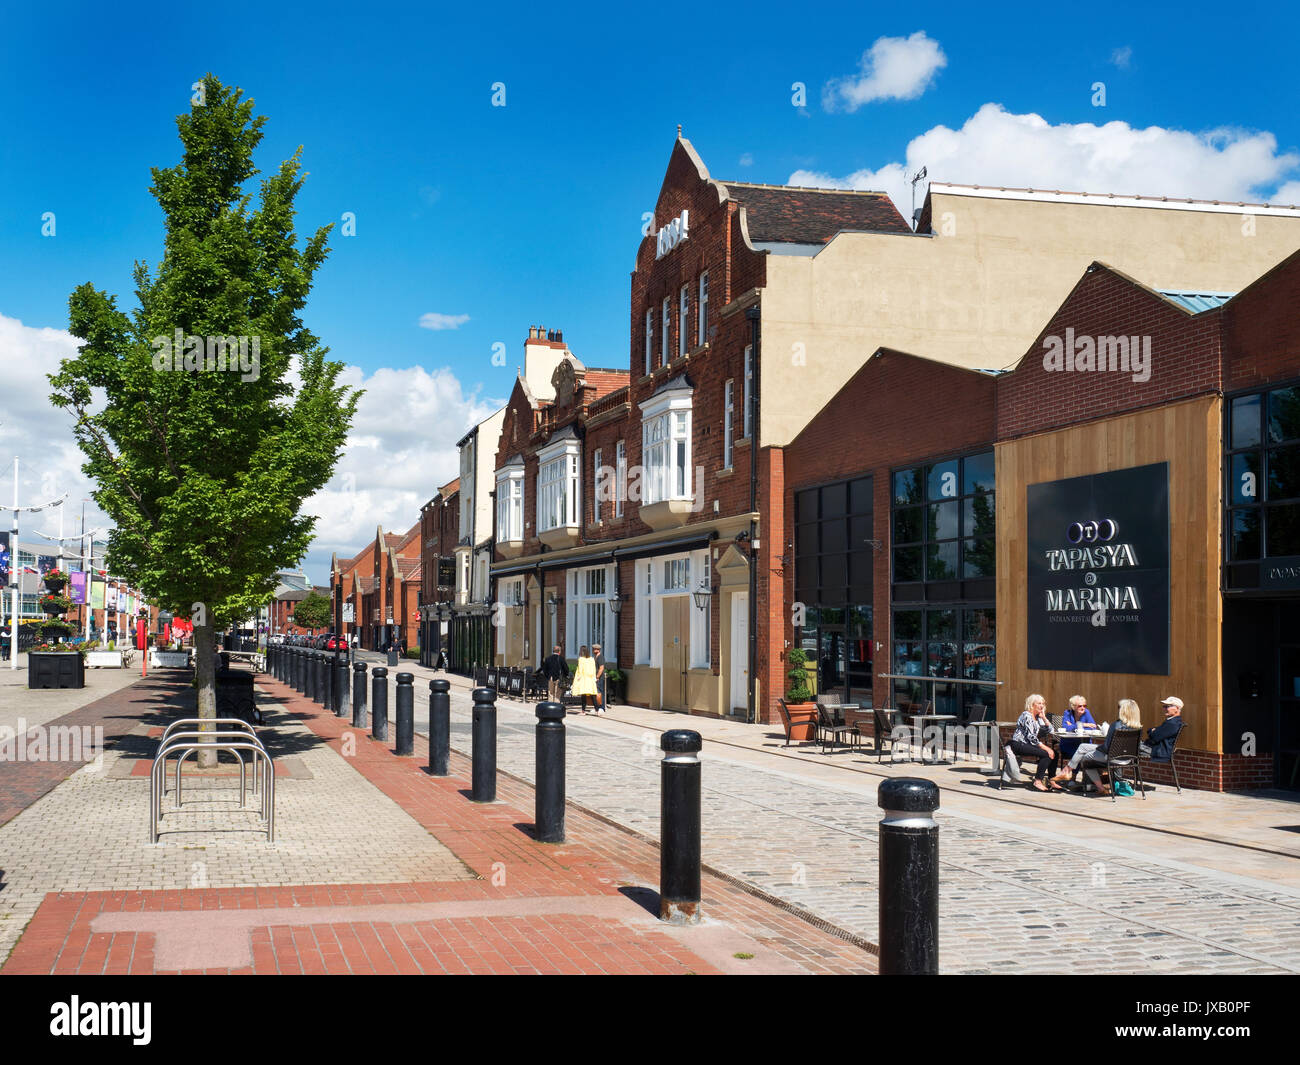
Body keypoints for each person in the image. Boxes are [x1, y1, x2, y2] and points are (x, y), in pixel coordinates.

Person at [1054, 699, 1142, 795]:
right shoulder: (1137, 727)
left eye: (1119, 708)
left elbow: (1106, 748)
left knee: (1084, 758)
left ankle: (1100, 787)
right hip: (1128, 759)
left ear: (1123, 711)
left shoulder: (1116, 725)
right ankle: (1066, 771)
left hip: (1111, 757)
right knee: (1083, 746)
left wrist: (1098, 749)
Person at [1009, 693, 1060, 792]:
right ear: (1032, 705)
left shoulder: (1038, 718)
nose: (1042, 706)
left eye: (1043, 704)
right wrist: (1047, 748)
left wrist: (1044, 717)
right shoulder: (1026, 715)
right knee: (1047, 754)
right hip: (1018, 744)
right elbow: (1031, 737)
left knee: (1055, 754)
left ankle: (1051, 780)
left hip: (1028, 744)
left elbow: (1051, 730)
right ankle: (1037, 781)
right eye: (1039, 703)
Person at [1059, 694, 1099, 762]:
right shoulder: (1067, 713)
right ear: (1073, 707)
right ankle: (1074, 772)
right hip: (1069, 743)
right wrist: (1084, 724)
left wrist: (1073, 726)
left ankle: (1074, 772)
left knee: (1087, 755)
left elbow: (1093, 727)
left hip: (1084, 743)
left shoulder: (1086, 712)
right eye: (1080, 706)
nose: (1083, 708)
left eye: (1084, 706)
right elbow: (1065, 728)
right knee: (1078, 754)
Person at [570, 645, 600, 713]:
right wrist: (595, 677)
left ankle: (583, 711)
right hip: (591, 678)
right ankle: (597, 710)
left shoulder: (581, 659)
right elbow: (594, 669)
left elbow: (580, 669)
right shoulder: (592, 659)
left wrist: (578, 678)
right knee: (593, 695)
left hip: (584, 678)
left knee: (583, 695)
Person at [592, 642, 607, 712]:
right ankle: (597, 706)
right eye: (593, 649)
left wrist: (597, 677)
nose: (593, 650)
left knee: (600, 692)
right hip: (596, 677)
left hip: (599, 678)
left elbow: (601, 668)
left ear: (598, 650)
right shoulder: (596, 657)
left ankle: (602, 707)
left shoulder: (600, 657)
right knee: (597, 692)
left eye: (595, 649)